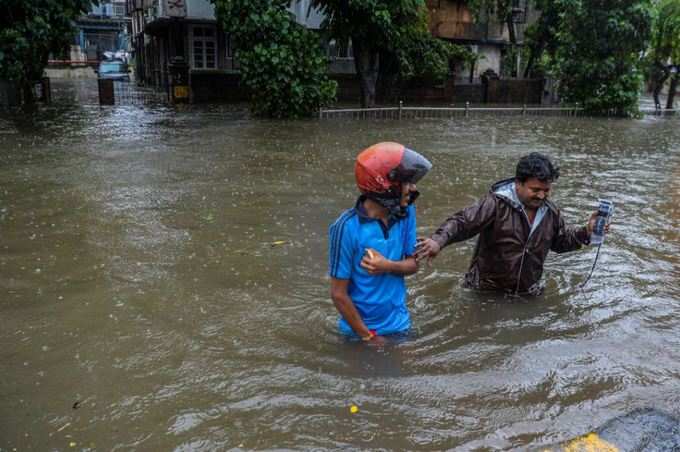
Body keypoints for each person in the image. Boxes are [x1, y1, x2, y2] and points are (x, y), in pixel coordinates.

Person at [415, 152, 605, 296]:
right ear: (518, 183)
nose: (541, 195)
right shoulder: (496, 204)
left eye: (546, 190)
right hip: (486, 292)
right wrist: (438, 241)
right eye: (535, 189)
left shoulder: (551, 212)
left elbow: (562, 242)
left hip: (528, 292)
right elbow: (463, 222)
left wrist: (586, 232)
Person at [328, 142, 432, 342]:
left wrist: (387, 265)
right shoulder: (346, 228)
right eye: (406, 183)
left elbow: (413, 265)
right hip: (359, 333)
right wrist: (368, 336)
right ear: (385, 186)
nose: (412, 188)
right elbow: (338, 294)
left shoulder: (406, 212)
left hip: (400, 325)